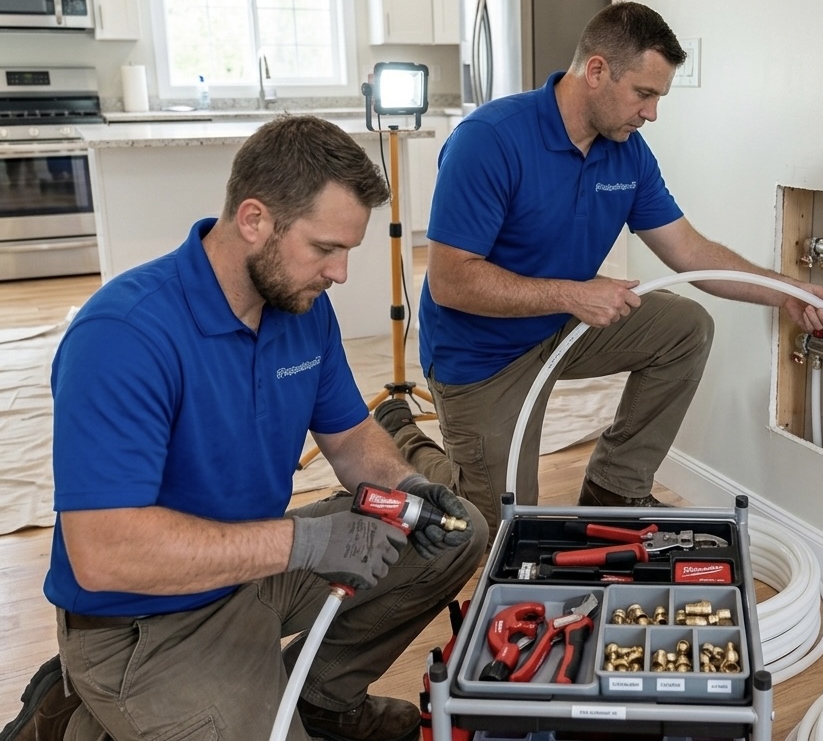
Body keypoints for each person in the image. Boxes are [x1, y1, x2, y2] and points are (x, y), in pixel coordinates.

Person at [1, 115, 487, 741]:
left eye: (347, 251)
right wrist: (308, 545)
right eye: (325, 248)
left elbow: (347, 436)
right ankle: (79, 714)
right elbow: (104, 554)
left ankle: (322, 701)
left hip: (255, 562)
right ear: (254, 220)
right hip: (144, 623)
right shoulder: (124, 335)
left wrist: (408, 488)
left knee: (458, 535)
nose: (339, 273)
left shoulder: (299, 308)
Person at [374, 1, 823, 530]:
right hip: (484, 355)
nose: (651, 113)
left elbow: (689, 251)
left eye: (658, 97)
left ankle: (615, 493)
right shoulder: (490, 140)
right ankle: (402, 435)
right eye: (644, 93)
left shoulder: (629, 153)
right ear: (596, 71)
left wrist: (786, 292)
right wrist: (573, 295)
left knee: (685, 327)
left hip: (562, 329)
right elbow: (450, 282)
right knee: (494, 530)